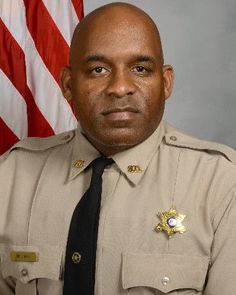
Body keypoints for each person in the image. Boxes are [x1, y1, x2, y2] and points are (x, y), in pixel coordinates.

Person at [0, 2, 236, 295]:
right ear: (68, 84)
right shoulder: (9, 178)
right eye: (98, 69)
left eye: (140, 68)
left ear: (165, 83)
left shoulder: (223, 185)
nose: (120, 87)